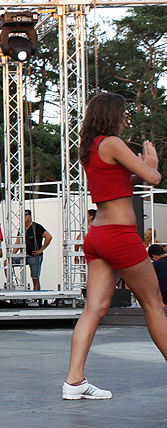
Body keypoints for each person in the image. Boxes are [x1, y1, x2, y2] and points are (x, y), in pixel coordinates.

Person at [64, 92, 167, 400]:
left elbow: (118, 182)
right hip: (120, 235)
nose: (125, 121)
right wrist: (151, 165)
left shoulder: (91, 148)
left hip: (97, 236)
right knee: (154, 305)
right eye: (123, 115)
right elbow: (153, 178)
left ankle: (74, 382)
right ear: (113, 116)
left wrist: (139, 172)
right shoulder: (113, 143)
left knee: (93, 308)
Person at [24, 209, 52, 291]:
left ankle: (36, 294)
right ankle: (12, 284)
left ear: (30, 217)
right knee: (8, 263)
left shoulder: (36, 227)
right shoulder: (22, 229)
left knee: (35, 279)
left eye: (25, 215)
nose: (23, 217)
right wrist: (12, 254)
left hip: (34, 256)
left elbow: (49, 237)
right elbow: (17, 242)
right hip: (24, 255)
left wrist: (41, 250)